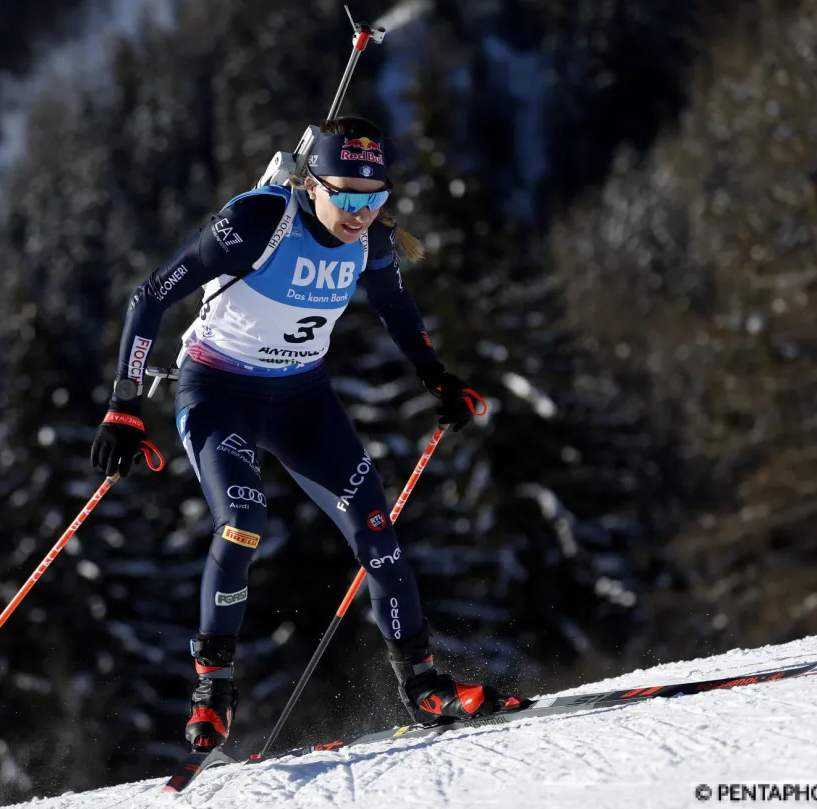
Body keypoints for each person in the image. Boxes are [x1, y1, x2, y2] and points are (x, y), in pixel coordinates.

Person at [91, 115, 527, 751]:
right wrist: (124, 406)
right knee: (241, 521)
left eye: (374, 197)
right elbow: (151, 294)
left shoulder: (371, 241)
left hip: (301, 399)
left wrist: (437, 377)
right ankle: (214, 691)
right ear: (310, 182)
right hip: (218, 391)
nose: (359, 211)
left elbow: (396, 309)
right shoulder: (256, 224)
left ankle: (424, 684)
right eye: (345, 194)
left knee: (376, 530)